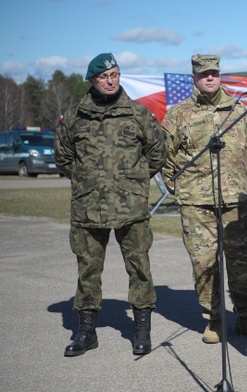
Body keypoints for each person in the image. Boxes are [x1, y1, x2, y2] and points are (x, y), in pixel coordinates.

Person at [55, 53, 166, 357]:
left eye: (115, 74)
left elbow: (158, 150)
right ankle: (86, 333)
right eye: (104, 76)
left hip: (131, 208)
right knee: (88, 270)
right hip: (88, 208)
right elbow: (63, 157)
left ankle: (142, 332)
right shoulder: (75, 115)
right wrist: (85, 180)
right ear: (92, 80)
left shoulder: (137, 114)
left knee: (139, 269)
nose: (110, 80)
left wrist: (136, 178)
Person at [161, 55, 247, 344]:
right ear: (194, 77)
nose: (210, 78)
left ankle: (246, 317)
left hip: (236, 202)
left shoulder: (238, 110)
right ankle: (215, 321)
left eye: (214, 73)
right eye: (204, 74)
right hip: (197, 205)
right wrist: (180, 188)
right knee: (204, 265)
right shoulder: (178, 114)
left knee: (242, 264)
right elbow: (165, 158)